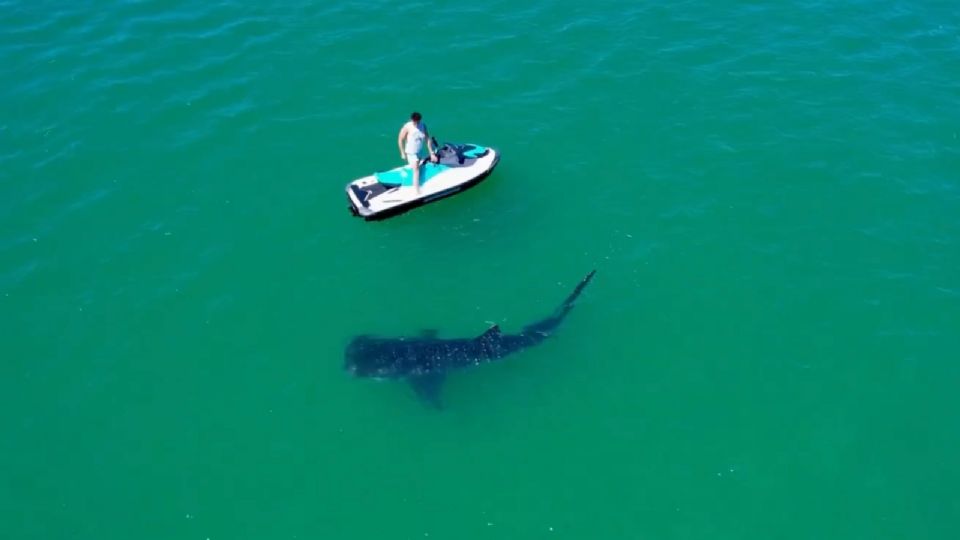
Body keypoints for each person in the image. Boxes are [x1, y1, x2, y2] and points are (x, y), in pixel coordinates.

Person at [397, 112, 437, 193]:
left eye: (418, 121)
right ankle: (417, 190)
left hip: (419, 151)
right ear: (412, 120)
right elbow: (400, 139)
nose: (417, 123)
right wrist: (402, 152)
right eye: (415, 122)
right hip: (411, 152)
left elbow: (427, 138)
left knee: (416, 167)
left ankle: (411, 175)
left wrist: (431, 153)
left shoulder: (423, 125)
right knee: (416, 170)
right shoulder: (407, 127)